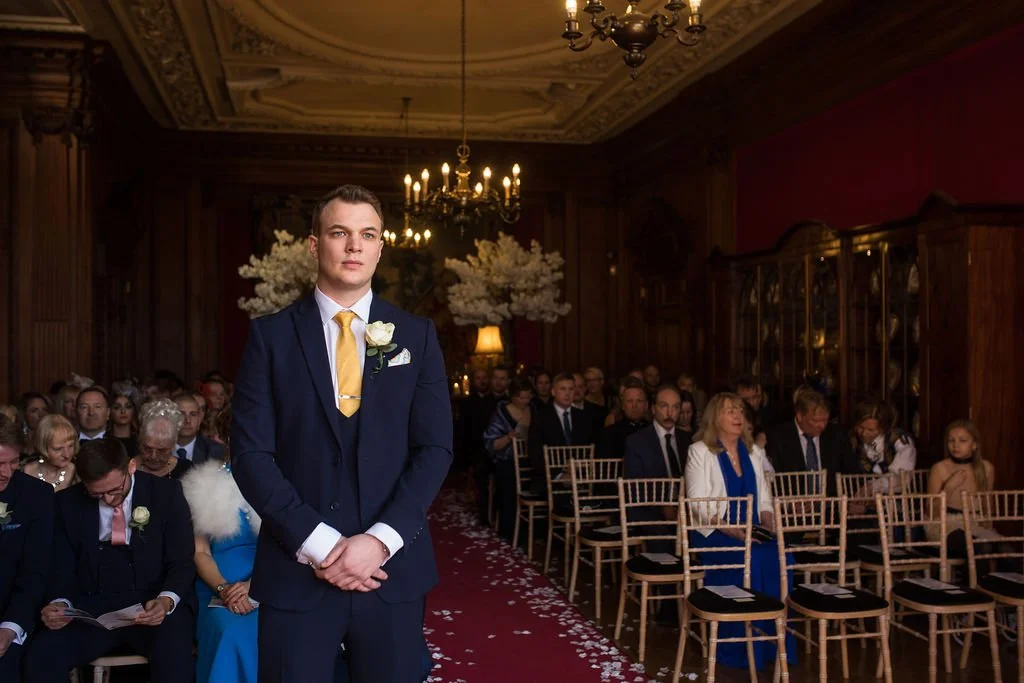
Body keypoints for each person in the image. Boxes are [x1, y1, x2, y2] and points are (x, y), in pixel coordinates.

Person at [231, 184, 452, 682]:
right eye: (340, 232)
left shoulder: (416, 335)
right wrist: (320, 543)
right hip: (297, 569)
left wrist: (380, 540)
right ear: (315, 245)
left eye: (366, 234)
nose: (354, 246)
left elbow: (434, 448)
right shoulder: (270, 337)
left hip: (390, 570)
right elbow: (251, 455)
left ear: (380, 246)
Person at [23, 438, 196, 682]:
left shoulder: (166, 494)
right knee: (43, 654)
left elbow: (182, 561)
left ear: (131, 467)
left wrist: (166, 601)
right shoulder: (66, 503)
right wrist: (59, 603)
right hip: (90, 606)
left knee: (176, 657)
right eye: (97, 494)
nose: (108, 500)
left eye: (115, 490)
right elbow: (60, 566)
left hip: (151, 602)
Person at [685, 392, 795, 670]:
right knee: (754, 560)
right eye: (730, 411)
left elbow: (765, 497)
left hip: (751, 531)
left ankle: (771, 645)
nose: (737, 417)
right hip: (715, 532)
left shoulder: (754, 451)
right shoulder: (700, 451)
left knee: (784, 556)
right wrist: (731, 529)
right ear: (715, 418)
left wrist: (767, 520)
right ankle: (740, 648)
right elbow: (697, 503)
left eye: (740, 412)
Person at [182, 459, 260, 683]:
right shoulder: (203, 482)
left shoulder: (284, 479)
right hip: (216, 588)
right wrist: (225, 589)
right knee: (229, 631)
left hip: (269, 583)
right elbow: (200, 553)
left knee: (275, 630)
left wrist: (253, 585)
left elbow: (290, 550)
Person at [0, 416, 54, 682]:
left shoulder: (36, 495)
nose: (6, 472)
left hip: (13, 611)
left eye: (13, 462)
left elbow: (35, 571)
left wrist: (10, 627)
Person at [765, 389, 858, 496]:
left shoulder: (837, 435)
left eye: (825, 420)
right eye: (815, 421)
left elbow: (851, 473)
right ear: (799, 416)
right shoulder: (778, 437)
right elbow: (773, 479)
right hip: (792, 506)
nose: (822, 426)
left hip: (831, 506)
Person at [926, 420, 996, 557]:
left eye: (962, 440)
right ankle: (973, 579)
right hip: (946, 524)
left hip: (975, 523)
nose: (955, 445)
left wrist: (988, 524)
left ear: (974, 444)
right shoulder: (939, 468)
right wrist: (949, 487)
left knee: (1006, 549)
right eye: (951, 441)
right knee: (978, 547)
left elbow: (987, 504)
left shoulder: (986, 468)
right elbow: (931, 512)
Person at [527, 373, 598, 495]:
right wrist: (559, 475)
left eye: (571, 389)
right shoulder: (541, 417)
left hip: (580, 475)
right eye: (563, 389)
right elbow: (535, 453)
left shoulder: (584, 417)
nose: (568, 393)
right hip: (549, 478)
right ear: (553, 392)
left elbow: (591, 449)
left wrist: (578, 471)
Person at [482, 379, 533, 543]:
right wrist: (509, 437)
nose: (525, 401)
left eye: (528, 397)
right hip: (506, 461)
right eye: (521, 397)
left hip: (530, 461)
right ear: (512, 396)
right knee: (508, 495)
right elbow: (491, 443)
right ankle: (509, 533)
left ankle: (530, 533)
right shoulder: (501, 413)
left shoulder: (534, 410)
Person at [624, 385, 689, 480]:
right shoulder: (636, 442)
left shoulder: (687, 439)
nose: (670, 413)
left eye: (675, 407)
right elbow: (634, 488)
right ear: (653, 409)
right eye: (664, 406)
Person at [850, 399, 916, 477]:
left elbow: (901, 478)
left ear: (883, 428)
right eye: (860, 427)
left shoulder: (899, 440)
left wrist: (874, 486)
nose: (864, 433)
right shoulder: (851, 439)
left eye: (871, 430)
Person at [136, 399, 194, 480]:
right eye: (147, 449)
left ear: (173, 445)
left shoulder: (187, 471)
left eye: (162, 451)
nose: (153, 456)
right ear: (139, 441)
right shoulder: (126, 468)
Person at [21, 414, 78, 492]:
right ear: (42, 447)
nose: (67, 455)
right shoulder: (22, 473)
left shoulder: (80, 474)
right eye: (58, 449)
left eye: (70, 446)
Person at [596, 382, 649, 460]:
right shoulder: (608, 434)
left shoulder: (656, 431)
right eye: (630, 401)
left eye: (639, 401)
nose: (634, 405)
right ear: (623, 405)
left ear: (646, 405)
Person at [175, 394, 226, 465]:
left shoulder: (215, 451)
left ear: (199, 419)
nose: (188, 420)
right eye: (181, 414)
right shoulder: (157, 449)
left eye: (193, 414)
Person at [110, 382, 142, 459]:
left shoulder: (141, 442)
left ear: (134, 411)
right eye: (117, 407)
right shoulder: (104, 441)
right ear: (109, 411)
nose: (123, 411)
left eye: (128, 407)